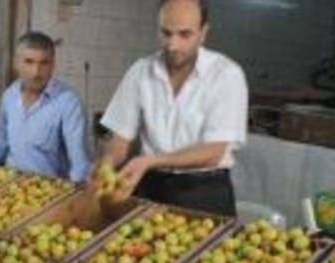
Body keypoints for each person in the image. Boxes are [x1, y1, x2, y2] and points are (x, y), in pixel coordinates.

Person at [96, 0, 248, 216]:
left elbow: (213, 152)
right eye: (166, 33)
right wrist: (106, 164)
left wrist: (148, 161)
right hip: (150, 186)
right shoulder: (141, 71)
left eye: (185, 34)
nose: (172, 45)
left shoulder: (226, 75)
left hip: (205, 191)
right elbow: (120, 140)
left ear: (203, 32)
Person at [0, 32, 91, 182]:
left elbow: (79, 163)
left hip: (47, 189)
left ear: (53, 65)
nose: (36, 72)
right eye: (29, 62)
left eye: (44, 63)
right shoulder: (9, 96)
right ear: (16, 64)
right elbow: (1, 141)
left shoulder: (69, 103)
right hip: (9, 184)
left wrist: (75, 191)